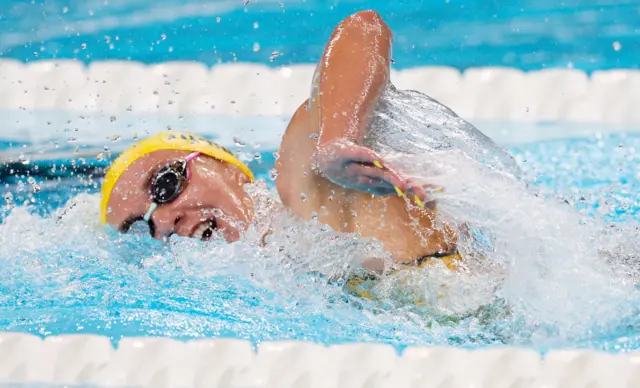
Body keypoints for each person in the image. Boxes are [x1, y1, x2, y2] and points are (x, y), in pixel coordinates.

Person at [100, 10, 516, 303]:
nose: (163, 221)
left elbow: (363, 28)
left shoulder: (302, 190)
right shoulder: (275, 279)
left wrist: (336, 141)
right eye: (141, 227)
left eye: (165, 184)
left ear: (224, 165)